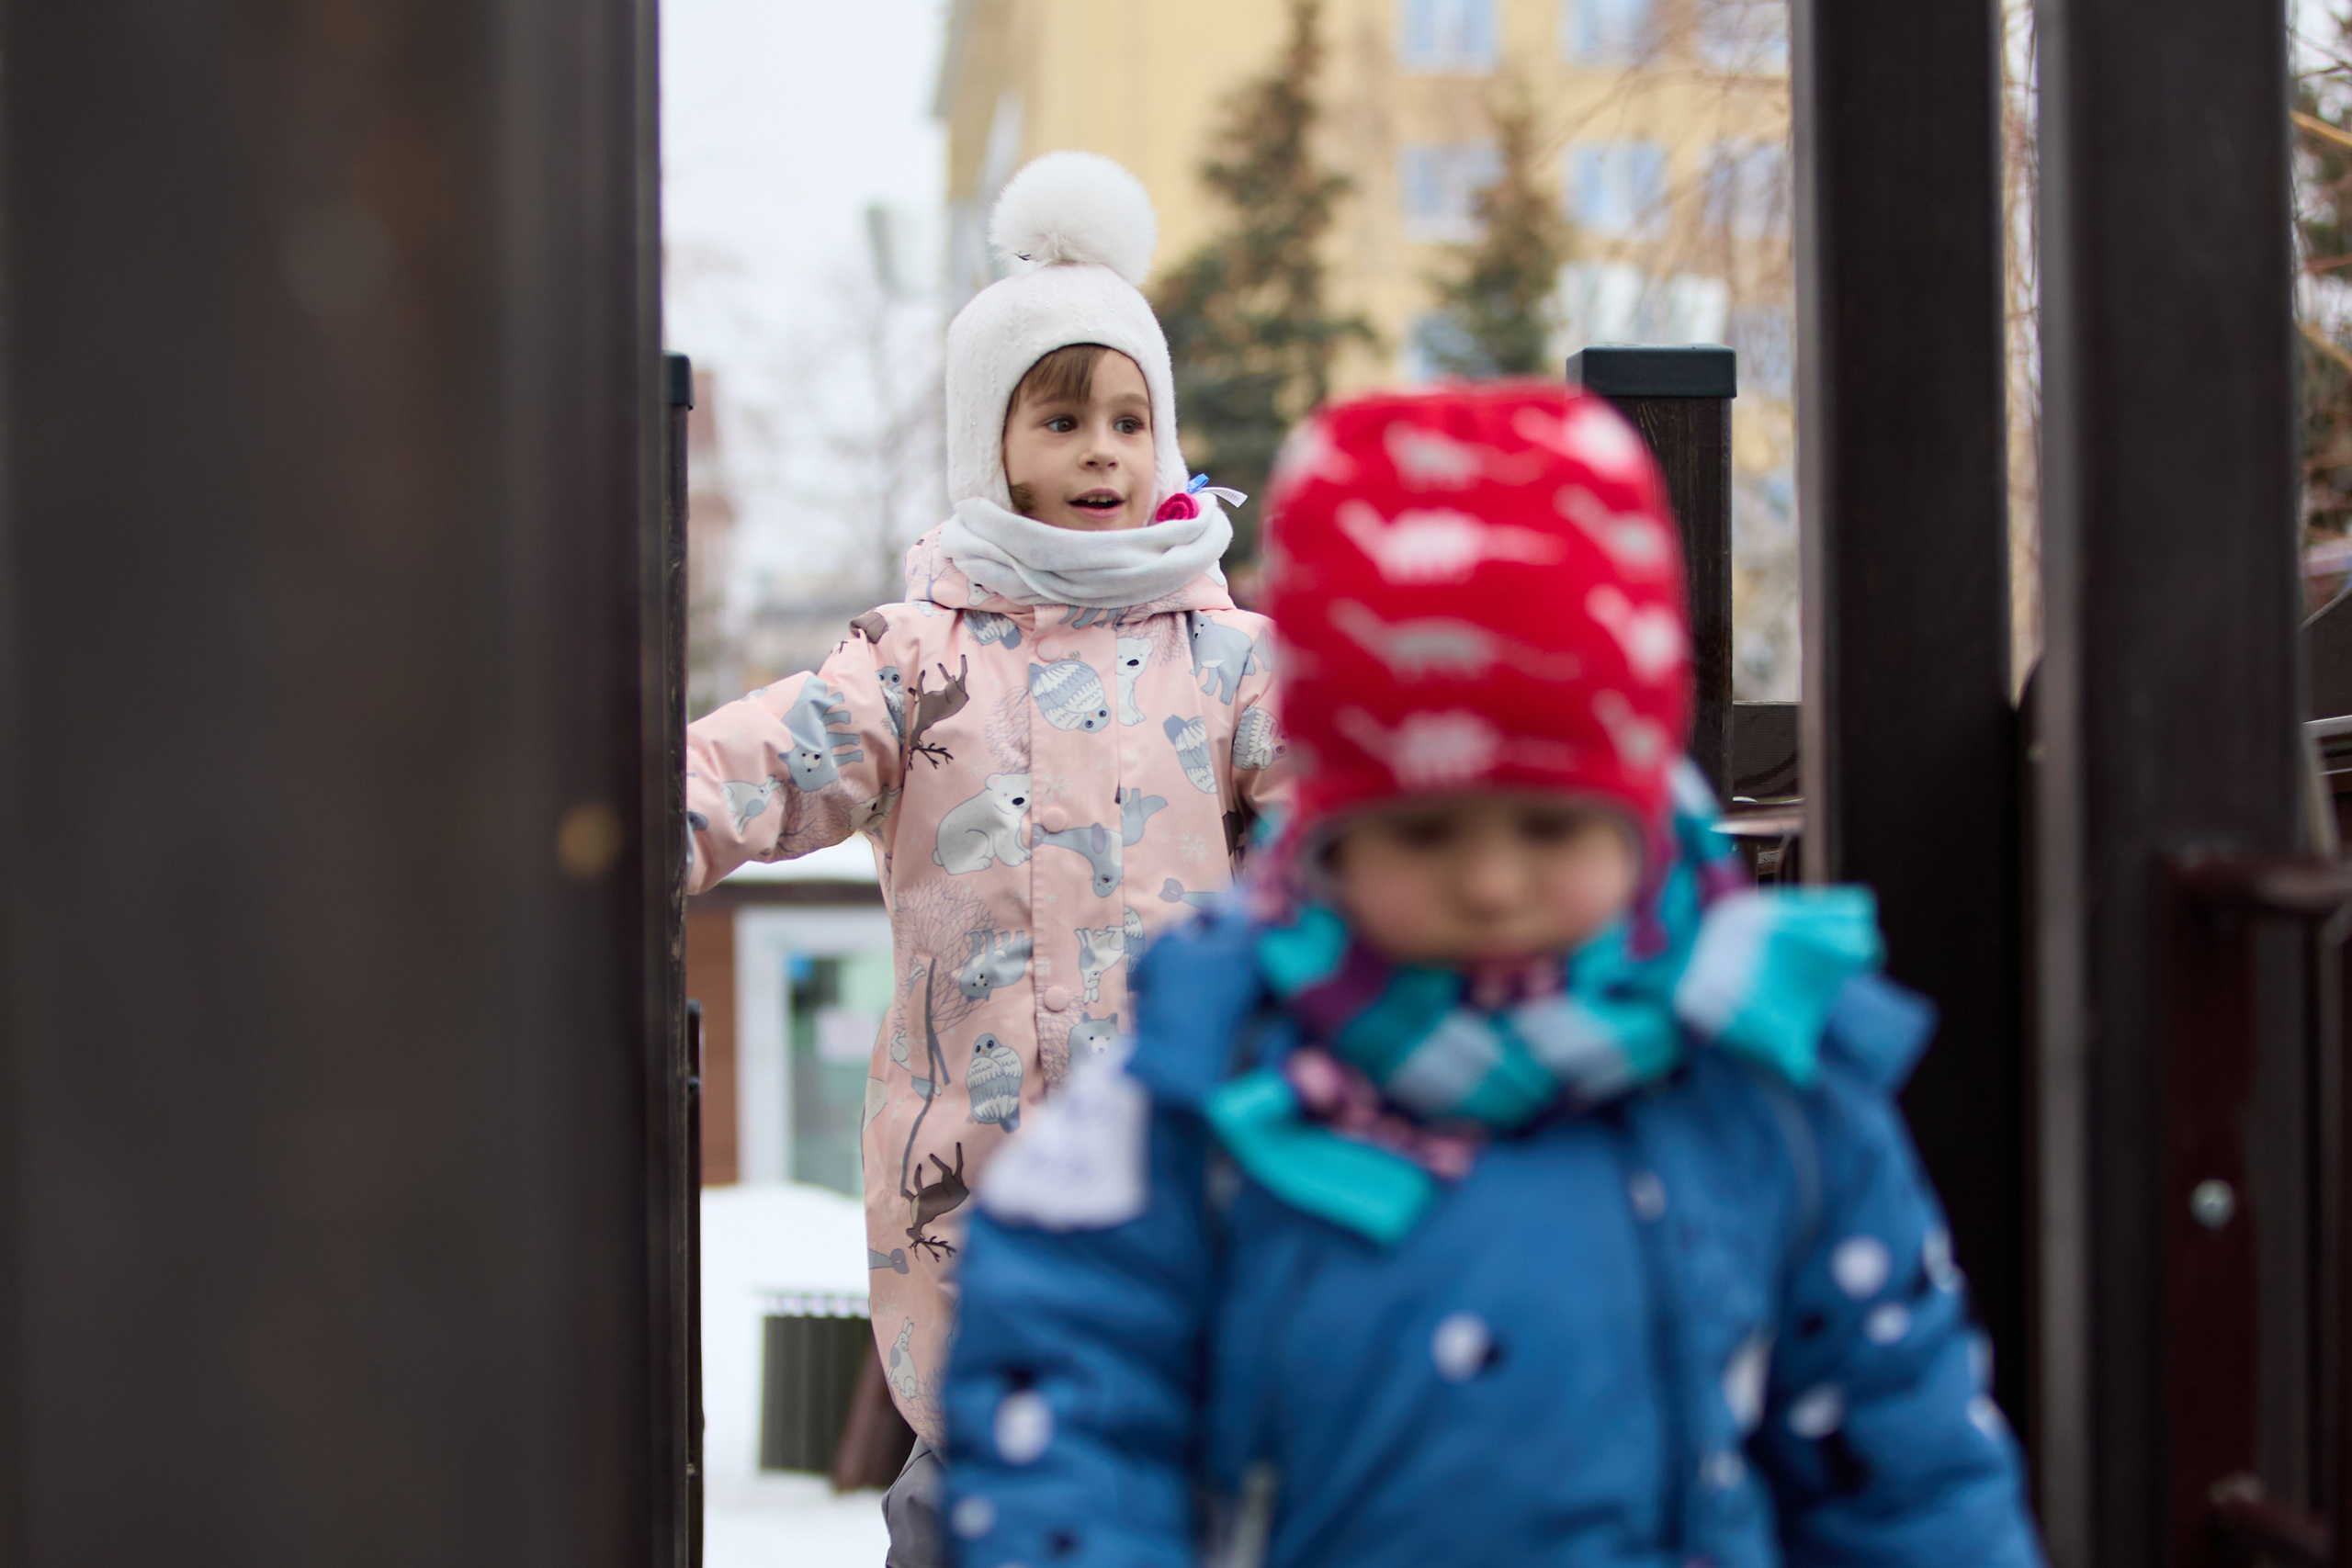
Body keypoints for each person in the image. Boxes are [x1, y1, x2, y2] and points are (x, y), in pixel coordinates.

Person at [939, 381, 2046, 1567]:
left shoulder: (1754, 1071)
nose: (1491, 884)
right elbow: (1071, 1395)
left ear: (1637, 806)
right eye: (1423, 834)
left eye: (1552, 828)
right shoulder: (1212, 1079)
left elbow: (1901, 1451)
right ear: (1325, 830)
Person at [682, 151, 1287, 1563]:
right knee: (969, 1491)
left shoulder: (1229, 660)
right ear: (987, 440)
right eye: (1062, 416)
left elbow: (1349, 808)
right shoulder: (914, 659)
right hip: (974, 1184)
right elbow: (770, 760)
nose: (1102, 451)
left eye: (1133, 421)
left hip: (1188, 1167)